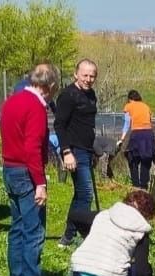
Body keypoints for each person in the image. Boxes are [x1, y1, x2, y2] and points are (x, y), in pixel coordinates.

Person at [0, 63, 60, 276]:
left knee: (17, 228)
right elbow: (32, 148)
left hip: (9, 168)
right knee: (34, 231)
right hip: (26, 171)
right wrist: (40, 183)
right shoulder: (36, 108)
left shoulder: (12, 101)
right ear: (51, 86)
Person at [68, 189, 155, 276]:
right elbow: (143, 271)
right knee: (142, 269)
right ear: (147, 214)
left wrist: (90, 237)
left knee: (115, 271)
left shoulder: (104, 214)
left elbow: (74, 216)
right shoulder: (141, 230)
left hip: (79, 275)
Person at [54, 59, 99, 247]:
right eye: (85, 75)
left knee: (81, 194)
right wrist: (66, 152)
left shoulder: (91, 95)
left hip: (87, 150)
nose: (88, 79)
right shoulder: (68, 95)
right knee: (86, 193)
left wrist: (94, 150)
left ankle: (68, 236)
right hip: (74, 150)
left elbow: (88, 125)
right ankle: (82, 233)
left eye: (92, 76)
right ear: (76, 74)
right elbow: (59, 125)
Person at [118, 90, 155, 189]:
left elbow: (127, 124)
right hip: (149, 135)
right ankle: (144, 186)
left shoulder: (129, 106)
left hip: (137, 134)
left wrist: (122, 139)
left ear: (130, 99)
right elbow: (150, 121)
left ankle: (135, 186)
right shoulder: (146, 106)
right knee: (146, 160)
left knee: (132, 159)